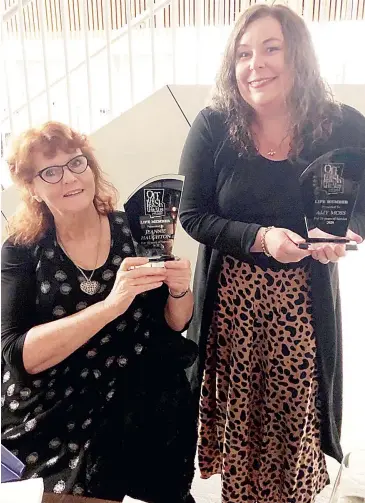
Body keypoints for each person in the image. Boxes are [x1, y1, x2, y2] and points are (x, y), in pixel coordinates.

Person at [178, 4, 365, 503]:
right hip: (233, 308)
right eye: (243, 53)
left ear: (298, 55)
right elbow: (192, 215)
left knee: (295, 428)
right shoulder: (215, 125)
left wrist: (347, 232)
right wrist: (262, 239)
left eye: (270, 48)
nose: (254, 64)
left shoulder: (342, 125)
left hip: (304, 306)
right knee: (244, 433)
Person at [1, 121, 198, 503]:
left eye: (77, 163)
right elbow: (19, 354)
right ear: (33, 188)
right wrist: (110, 306)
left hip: (136, 390)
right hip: (56, 399)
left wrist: (180, 289)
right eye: (50, 171)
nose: (69, 178)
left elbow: (175, 323)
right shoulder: (22, 250)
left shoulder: (135, 230)